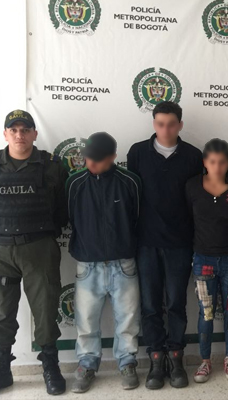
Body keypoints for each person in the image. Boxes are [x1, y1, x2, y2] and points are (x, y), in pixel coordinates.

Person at [126, 101, 203, 389]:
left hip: (180, 244)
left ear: (180, 125)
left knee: (176, 304)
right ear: (153, 124)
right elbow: (132, 198)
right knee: (149, 305)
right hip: (146, 243)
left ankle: (176, 358)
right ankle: (156, 360)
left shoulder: (193, 156)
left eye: (171, 124)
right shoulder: (137, 153)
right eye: (160, 124)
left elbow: (196, 202)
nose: (166, 129)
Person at [66, 132, 142, 393]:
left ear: (113, 157)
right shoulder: (75, 183)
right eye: (88, 158)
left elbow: (137, 218)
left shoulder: (130, 182)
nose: (91, 163)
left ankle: (127, 362)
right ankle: (87, 364)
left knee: (128, 319)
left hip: (124, 263)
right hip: (88, 265)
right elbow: (71, 218)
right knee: (86, 320)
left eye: (98, 159)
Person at [0, 110, 69, 394]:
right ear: (5, 134)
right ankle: (3, 368)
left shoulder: (52, 166)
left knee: (45, 310)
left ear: (34, 134)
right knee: (2, 313)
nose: (20, 135)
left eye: (25, 129)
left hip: (39, 248)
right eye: (14, 130)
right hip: (2, 251)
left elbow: (62, 209)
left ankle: (50, 366)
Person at [185, 139, 228, 383]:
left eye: (222, 162)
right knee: (206, 313)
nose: (217, 167)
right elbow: (187, 221)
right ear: (205, 162)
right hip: (203, 259)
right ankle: (205, 361)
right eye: (212, 162)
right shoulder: (192, 186)